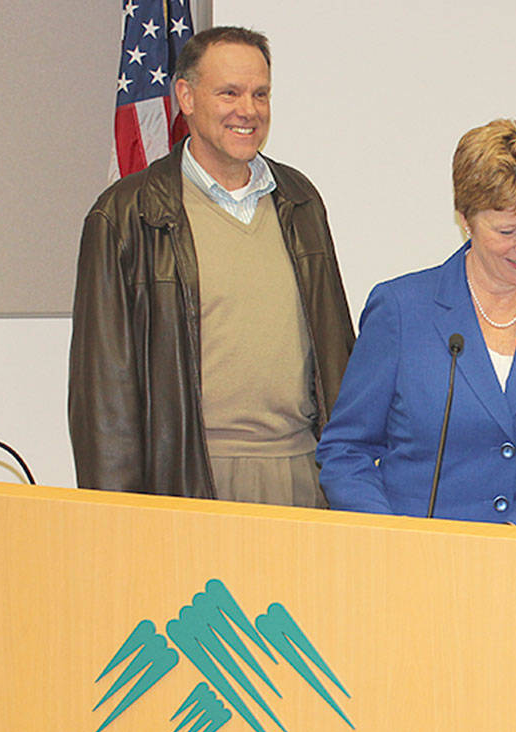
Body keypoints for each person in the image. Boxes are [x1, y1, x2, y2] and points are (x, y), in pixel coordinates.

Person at [69, 26, 355, 504]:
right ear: (186, 95)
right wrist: (115, 515)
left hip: (305, 473)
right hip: (191, 482)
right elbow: (104, 397)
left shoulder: (301, 201)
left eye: (260, 94)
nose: (248, 110)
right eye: (229, 93)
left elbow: (335, 346)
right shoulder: (124, 215)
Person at [316, 119, 516, 527]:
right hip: (422, 562)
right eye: (507, 230)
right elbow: (346, 451)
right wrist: (388, 538)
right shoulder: (402, 309)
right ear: (465, 220)